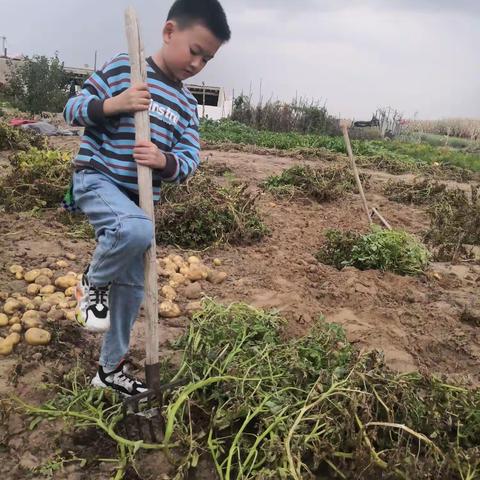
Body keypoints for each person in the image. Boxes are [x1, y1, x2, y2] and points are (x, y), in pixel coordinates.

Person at [63, 0, 231, 396]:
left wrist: (164, 160)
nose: (196, 64)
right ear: (170, 32)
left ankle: (109, 370)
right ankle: (91, 283)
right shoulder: (126, 68)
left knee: (133, 289)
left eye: (206, 59)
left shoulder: (187, 106)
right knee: (137, 230)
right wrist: (114, 105)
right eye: (194, 51)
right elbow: (72, 110)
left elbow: (189, 160)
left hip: (139, 199)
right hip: (97, 179)